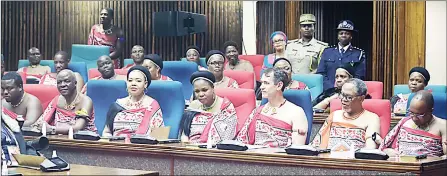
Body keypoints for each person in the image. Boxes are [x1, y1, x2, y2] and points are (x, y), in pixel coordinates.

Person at [237, 68, 308, 147]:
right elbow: (242, 142)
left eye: (266, 83)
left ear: (279, 85)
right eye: (261, 83)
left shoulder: (296, 112)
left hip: (280, 158)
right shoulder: (258, 111)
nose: (261, 87)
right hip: (253, 156)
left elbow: (297, 150)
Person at [311, 78, 380, 151]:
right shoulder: (334, 115)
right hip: (328, 159)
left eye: (349, 97)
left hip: (354, 160)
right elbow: (316, 144)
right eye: (342, 95)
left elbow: (370, 149)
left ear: (361, 98)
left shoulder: (371, 118)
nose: (343, 100)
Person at [102, 66, 164, 138]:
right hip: (116, 146)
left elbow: (160, 136)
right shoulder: (117, 104)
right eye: (130, 80)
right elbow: (106, 132)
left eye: (138, 81)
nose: (133, 84)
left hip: (141, 147)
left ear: (145, 84)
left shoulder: (152, 105)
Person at [380, 90, 446, 157]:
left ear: (430, 111)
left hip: (429, 166)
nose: (414, 118)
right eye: (411, 113)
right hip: (400, 163)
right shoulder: (404, 122)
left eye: (419, 115)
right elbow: (385, 146)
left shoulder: (443, 126)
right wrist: (388, 151)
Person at [31, 69, 97, 134]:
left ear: (75, 83)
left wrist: (52, 129)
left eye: (67, 81)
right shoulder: (57, 100)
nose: (62, 85)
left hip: (84, 141)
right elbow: (41, 122)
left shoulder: (85, 101)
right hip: (59, 139)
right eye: (59, 82)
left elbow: (77, 128)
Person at [181, 71, 238, 143]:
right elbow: (185, 132)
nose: (201, 94)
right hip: (191, 148)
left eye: (204, 90)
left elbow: (228, 136)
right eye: (197, 91)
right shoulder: (193, 106)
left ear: (213, 88)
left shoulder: (225, 107)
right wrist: (184, 138)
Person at [317, 20, 366, 91]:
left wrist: (347, 88)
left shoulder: (359, 54)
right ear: (338, 36)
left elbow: (359, 76)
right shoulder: (327, 52)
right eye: (341, 33)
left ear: (351, 36)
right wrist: (332, 87)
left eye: (347, 33)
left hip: (349, 92)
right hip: (329, 91)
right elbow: (321, 73)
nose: (343, 35)